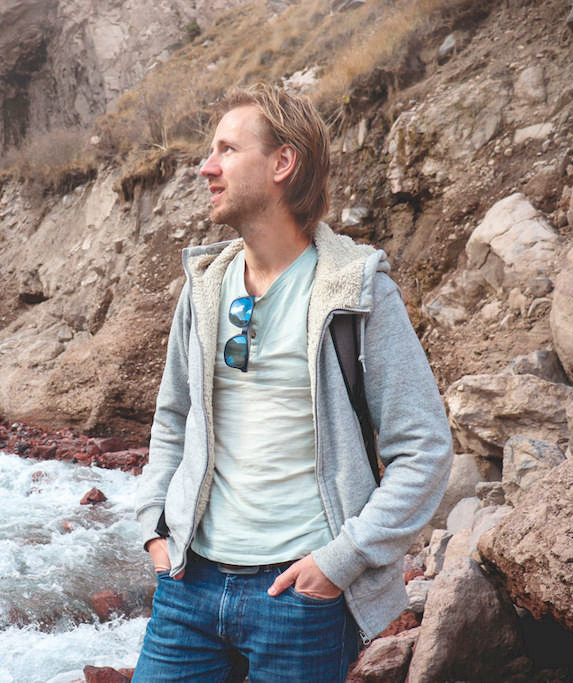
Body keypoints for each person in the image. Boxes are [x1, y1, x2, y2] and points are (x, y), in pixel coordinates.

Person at [132, 83, 453, 682]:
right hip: (188, 583)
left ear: (283, 162)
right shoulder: (203, 286)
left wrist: (340, 562)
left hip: (299, 598)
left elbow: (425, 447)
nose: (206, 167)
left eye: (227, 150)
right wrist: (155, 527)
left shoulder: (358, 292)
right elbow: (174, 417)